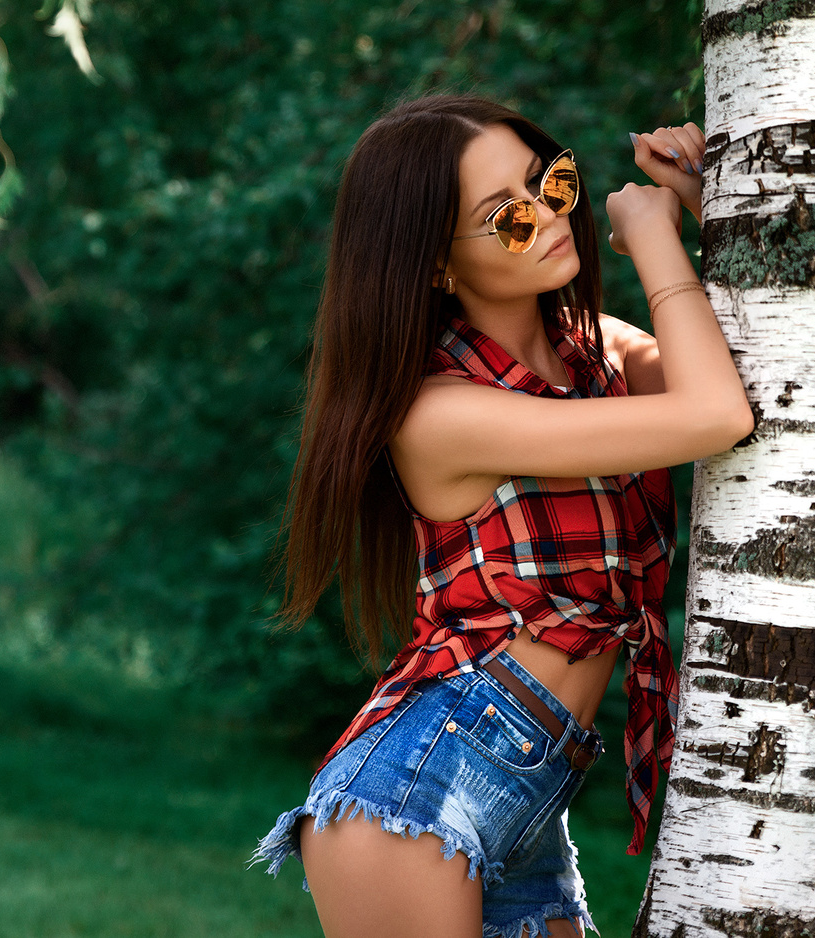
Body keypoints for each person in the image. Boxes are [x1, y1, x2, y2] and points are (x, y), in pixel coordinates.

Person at [247, 94, 753, 938]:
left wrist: (712, 210)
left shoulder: (600, 353)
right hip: (419, 794)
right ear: (439, 264)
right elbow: (715, 417)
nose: (551, 216)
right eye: (507, 220)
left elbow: (751, 381)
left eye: (550, 183)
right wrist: (655, 240)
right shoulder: (438, 412)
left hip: (528, 801)